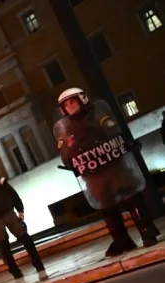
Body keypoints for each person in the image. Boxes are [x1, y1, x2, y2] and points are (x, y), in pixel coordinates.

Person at [54, 88, 159, 256]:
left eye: (72, 102)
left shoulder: (98, 113)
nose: (69, 107)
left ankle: (147, 231)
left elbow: (113, 130)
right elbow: (66, 155)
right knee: (108, 209)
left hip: (115, 167)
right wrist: (70, 154)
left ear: (82, 99)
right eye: (65, 105)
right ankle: (121, 240)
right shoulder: (66, 130)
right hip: (94, 175)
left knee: (132, 198)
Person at [0, 162, 48, 281]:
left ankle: (38, 264)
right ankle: (15, 272)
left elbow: (13, 195)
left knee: (25, 238)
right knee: (3, 246)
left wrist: (20, 210)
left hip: (8, 213)